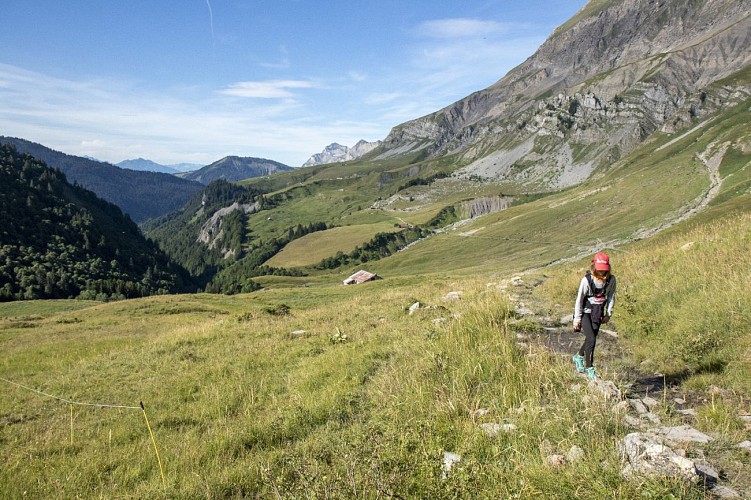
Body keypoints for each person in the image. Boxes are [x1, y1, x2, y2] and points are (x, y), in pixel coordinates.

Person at [572, 252, 617, 380]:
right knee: (591, 339)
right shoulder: (586, 280)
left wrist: (608, 313)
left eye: (604, 269)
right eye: (599, 269)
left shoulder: (611, 280)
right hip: (586, 312)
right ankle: (590, 369)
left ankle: (578, 356)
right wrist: (577, 319)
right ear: (594, 266)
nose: (602, 272)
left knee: (589, 339)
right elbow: (579, 299)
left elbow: (611, 297)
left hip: (598, 312)